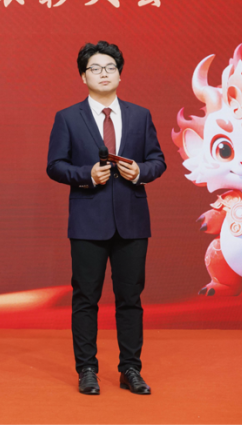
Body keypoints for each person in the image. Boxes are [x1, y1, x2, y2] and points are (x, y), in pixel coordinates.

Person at [46, 41, 165, 396]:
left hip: (132, 220)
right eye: (95, 68)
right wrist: (86, 175)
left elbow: (158, 160)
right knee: (86, 298)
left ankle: (131, 368)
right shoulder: (68, 117)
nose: (103, 73)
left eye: (110, 67)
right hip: (88, 221)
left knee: (130, 298)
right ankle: (87, 369)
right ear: (83, 76)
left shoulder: (140, 115)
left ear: (119, 74)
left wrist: (139, 171)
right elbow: (55, 165)